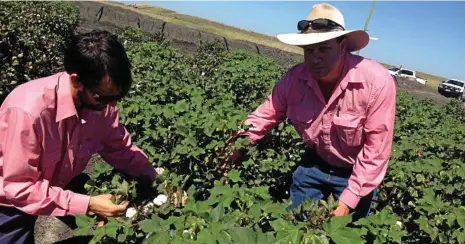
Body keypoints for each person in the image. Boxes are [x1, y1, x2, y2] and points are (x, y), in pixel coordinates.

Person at [225, 3, 396, 221]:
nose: (315, 58)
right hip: (314, 164)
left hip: (355, 173)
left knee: (345, 232)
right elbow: (264, 115)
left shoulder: (376, 82)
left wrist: (347, 200)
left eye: (324, 48)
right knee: (296, 226)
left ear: (342, 46)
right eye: (309, 50)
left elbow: (376, 148)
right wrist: (235, 146)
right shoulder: (295, 79)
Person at [0, 30, 164, 243]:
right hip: (9, 203)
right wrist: (89, 204)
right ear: (77, 81)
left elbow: (120, 149)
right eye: (104, 97)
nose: (112, 105)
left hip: (59, 181)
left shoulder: (101, 106)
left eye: (118, 97)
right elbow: (20, 188)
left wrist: (158, 179)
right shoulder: (27, 112)